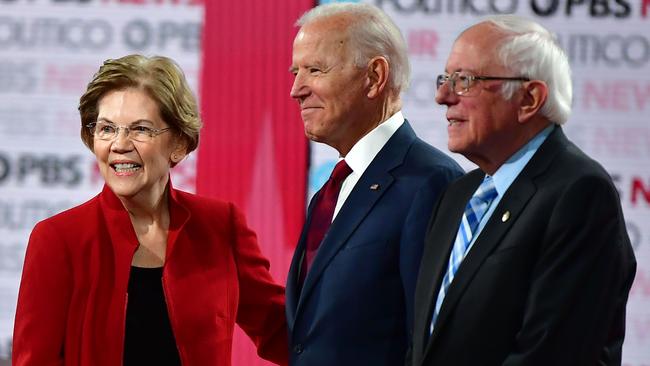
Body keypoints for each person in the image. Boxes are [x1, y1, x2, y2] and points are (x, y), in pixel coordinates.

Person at [13, 54, 288, 366]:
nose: (119, 144)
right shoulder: (58, 239)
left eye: (140, 129)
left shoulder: (220, 225)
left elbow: (280, 331)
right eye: (106, 128)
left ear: (179, 143)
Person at [409, 15, 637, 366]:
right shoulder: (457, 196)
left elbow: (553, 355)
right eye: (446, 79)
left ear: (529, 98)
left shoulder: (579, 193)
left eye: (465, 80)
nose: (442, 96)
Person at [285, 3, 463, 366]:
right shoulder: (329, 192)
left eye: (314, 70)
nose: (296, 89)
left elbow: (431, 341)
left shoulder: (430, 182)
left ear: (375, 76)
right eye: (295, 72)